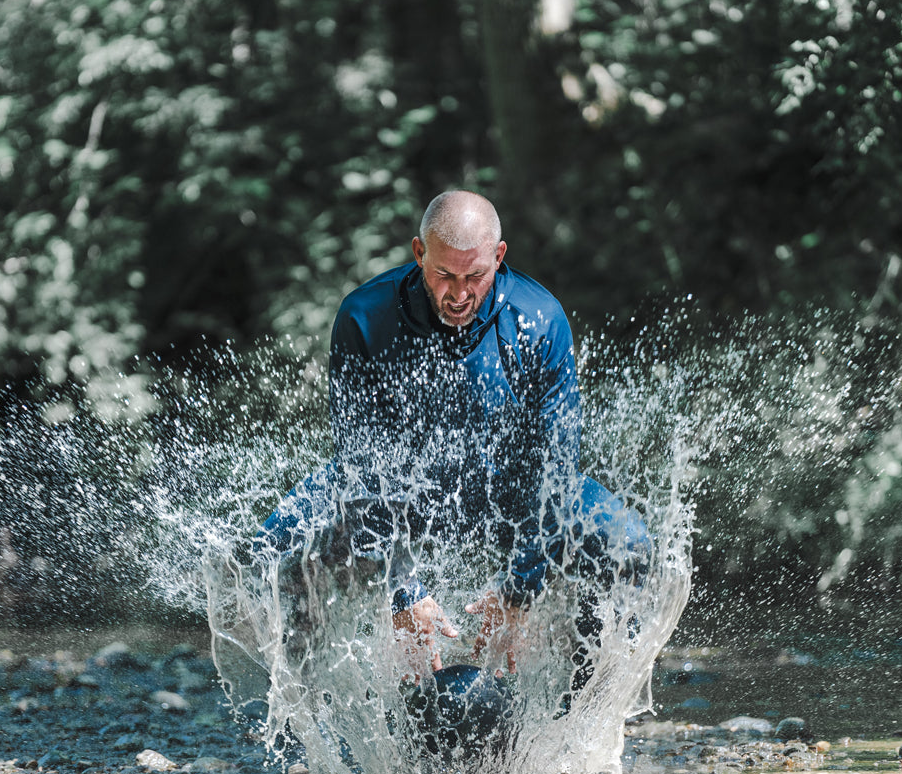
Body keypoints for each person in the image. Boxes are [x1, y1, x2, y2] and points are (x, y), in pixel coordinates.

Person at [257, 190, 650, 696]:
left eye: (475, 276)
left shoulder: (540, 320)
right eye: (445, 275)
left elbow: (556, 467)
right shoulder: (364, 317)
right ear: (419, 252)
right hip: (403, 493)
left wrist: (519, 587)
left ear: (499, 257)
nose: (459, 294)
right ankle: (301, 735)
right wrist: (404, 590)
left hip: (510, 495)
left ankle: (585, 730)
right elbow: (360, 466)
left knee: (628, 544)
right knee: (277, 547)